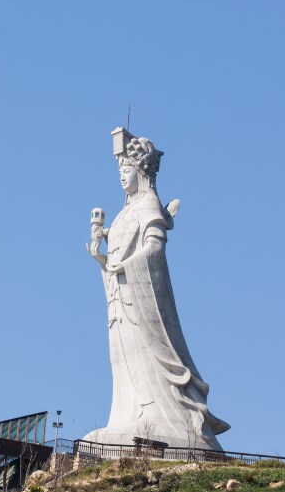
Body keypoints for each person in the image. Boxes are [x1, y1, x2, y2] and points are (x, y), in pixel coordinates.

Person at [84, 129, 229, 451]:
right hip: (122, 298)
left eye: (127, 170)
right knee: (123, 358)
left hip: (142, 296)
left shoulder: (148, 206)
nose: (123, 177)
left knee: (147, 356)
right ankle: (126, 418)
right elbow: (115, 257)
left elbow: (154, 250)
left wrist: (126, 265)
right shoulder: (124, 213)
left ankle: (161, 421)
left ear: (142, 173)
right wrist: (101, 257)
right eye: (121, 172)